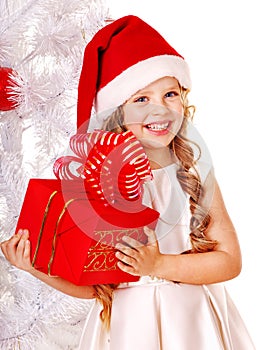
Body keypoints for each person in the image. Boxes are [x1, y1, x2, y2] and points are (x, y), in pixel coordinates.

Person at [0, 15, 255, 350]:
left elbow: (230, 261)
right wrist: (34, 268)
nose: (160, 110)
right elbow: (96, 287)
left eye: (170, 94)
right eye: (141, 99)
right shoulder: (98, 184)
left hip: (193, 324)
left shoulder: (193, 174)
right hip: (127, 330)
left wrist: (160, 264)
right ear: (116, 113)